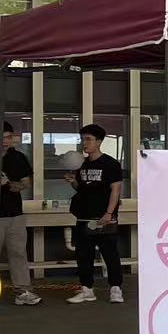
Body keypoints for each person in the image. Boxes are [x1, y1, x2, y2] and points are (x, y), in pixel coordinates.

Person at [0, 121, 38, 305]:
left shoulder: (18, 157)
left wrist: (18, 185)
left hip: (15, 215)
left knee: (18, 253)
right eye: (1, 138)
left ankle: (23, 291)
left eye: (9, 137)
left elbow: (26, 181)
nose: (5, 141)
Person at [65, 124, 124, 305]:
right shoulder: (80, 164)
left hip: (104, 218)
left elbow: (115, 190)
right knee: (84, 256)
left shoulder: (111, 164)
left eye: (89, 139)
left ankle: (115, 289)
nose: (85, 143)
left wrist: (109, 213)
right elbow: (81, 189)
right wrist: (73, 182)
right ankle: (87, 289)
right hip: (84, 217)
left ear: (98, 142)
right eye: (83, 139)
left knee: (110, 254)